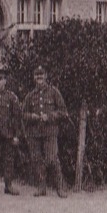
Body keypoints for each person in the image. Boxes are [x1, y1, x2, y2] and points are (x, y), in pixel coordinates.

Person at [22, 64, 69, 198]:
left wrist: (49, 116)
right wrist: (32, 116)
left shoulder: (54, 92)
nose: (39, 78)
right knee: (37, 160)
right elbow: (23, 114)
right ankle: (41, 187)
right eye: (37, 76)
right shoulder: (30, 96)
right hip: (35, 133)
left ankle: (60, 188)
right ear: (34, 78)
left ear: (46, 76)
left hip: (50, 132)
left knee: (52, 159)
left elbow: (64, 112)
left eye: (41, 75)